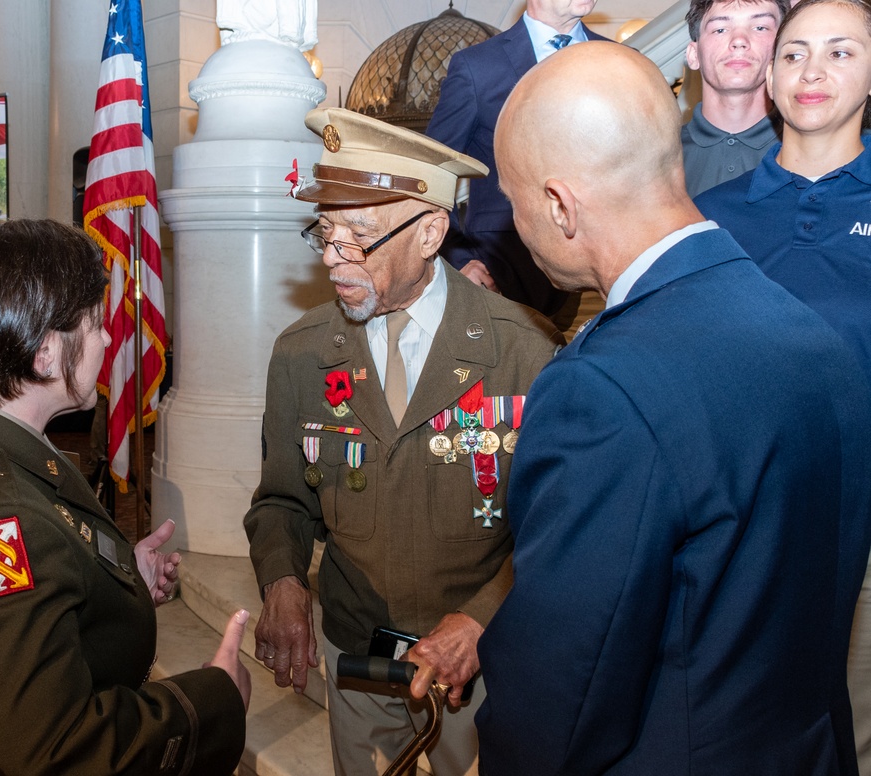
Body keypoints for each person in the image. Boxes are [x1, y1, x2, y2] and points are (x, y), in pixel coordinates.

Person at [475, 40, 871, 775]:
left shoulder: (601, 391)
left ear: (559, 204)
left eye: (516, 198)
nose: (514, 226)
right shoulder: (820, 344)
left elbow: (564, 688)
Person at [244, 108, 563, 776]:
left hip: (481, 665)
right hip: (355, 653)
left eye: (358, 236)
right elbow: (280, 500)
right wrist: (282, 580)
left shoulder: (524, 351)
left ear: (430, 232)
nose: (333, 257)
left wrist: (480, 618)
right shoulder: (303, 354)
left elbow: (557, 527)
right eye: (325, 232)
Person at [0, 219, 251, 775]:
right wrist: (213, 702)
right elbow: (64, 749)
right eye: (94, 323)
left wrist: (113, 580)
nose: (106, 338)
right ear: (45, 353)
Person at [695, 0, 871, 769]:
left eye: (841, 52)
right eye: (794, 53)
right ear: (767, 76)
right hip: (741, 529)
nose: (814, 72)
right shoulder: (705, 219)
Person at [425, 0, 610, 330]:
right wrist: (458, 259)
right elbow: (430, 173)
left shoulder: (619, 60)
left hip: (604, 276)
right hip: (503, 276)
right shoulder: (477, 67)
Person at [682, 0, 788, 197]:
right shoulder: (659, 157)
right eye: (720, 29)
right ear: (694, 55)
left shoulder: (812, 149)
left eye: (760, 27)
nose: (739, 40)